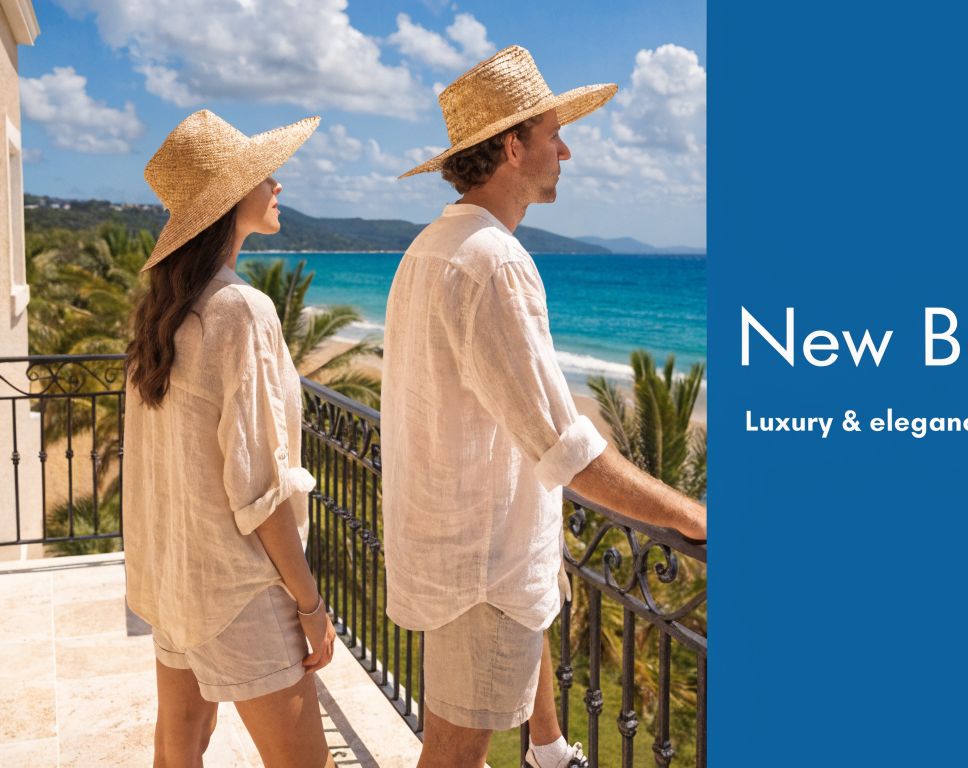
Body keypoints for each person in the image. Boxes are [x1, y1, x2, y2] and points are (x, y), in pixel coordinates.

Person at [383, 46, 708, 768]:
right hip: (483, 572)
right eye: (554, 134)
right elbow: (568, 450)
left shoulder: (431, 248)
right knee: (452, 759)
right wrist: (693, 516)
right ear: (511, 146)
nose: (566, 151)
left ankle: (550, 751)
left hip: (448, 550)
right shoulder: (495, 262)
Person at [123, 109, 338, 768]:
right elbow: (261, 489)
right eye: (262, 174)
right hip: (239, 590)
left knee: (179, 751)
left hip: (179, 578)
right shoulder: (240, 309)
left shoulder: (164, 312)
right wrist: (310, 605)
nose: (277, 184)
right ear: (229, 198)